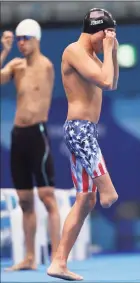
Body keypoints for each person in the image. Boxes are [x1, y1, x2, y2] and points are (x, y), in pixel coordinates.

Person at [47, 8, 119, 281]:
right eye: (107, 35)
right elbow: (104, 80)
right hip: (80, 132)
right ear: (98, 30)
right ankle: (59, 259)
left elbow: (112, 82)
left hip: (85, 132)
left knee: (86, 199)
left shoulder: (92, 55)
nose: (107, 41)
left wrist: (111, 51)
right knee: (108, 195)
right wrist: (109, 50)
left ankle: (59, 262)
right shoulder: (74, 51)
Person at [0, 19, 60, 271]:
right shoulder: (15, 65)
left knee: (47, 197)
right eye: (19, 39)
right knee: (25, 200)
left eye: (26, 38)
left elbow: (39, 63)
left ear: (36, 39)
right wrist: (4, 52)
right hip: (18, 135)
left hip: (38, 134)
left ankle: (58, 257)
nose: (21, 43)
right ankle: (29, 257)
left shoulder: (46, 66)